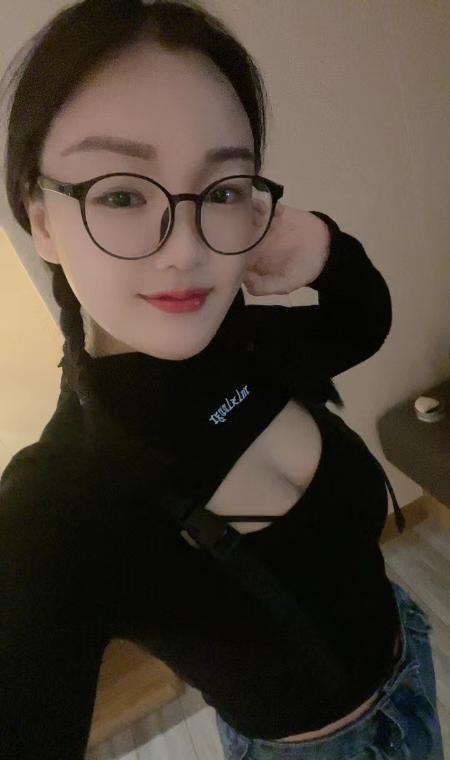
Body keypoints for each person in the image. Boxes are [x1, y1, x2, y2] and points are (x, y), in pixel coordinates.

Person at [0, 1, 444, 758]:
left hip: (412, 658)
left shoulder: (245, 346)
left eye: (225, 190)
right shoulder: (60, 501)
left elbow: (361, 321)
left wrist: (323, 245)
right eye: (122, 195)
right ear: (40, 219)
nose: (187, 250)